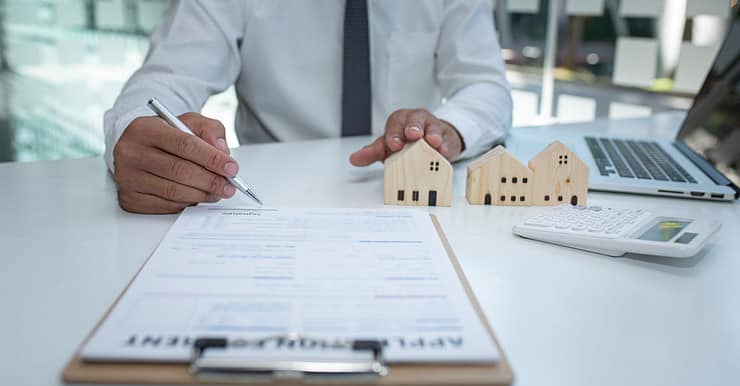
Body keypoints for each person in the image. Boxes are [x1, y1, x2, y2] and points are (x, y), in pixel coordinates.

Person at [106, 0, 512, 213]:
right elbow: (166, 79)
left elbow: (486, 85)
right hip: (265, 197)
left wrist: (447, 130)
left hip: (401, 198)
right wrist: (137, 132)